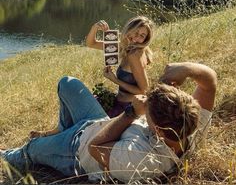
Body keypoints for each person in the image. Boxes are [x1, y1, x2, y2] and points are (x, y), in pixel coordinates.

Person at [0, 62, 216, 183]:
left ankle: (8, 157)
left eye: (147, 111)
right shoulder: (189, 122)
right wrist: (187, 69)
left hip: (76, 151)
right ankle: (60, 133)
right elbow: (209, 83)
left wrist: (131, 112)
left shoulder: (142, 159)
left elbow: (95, 147)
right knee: (67, 84)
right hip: (99, 122)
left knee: (31, 149)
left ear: (158, 130)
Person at [86, 16, 154, 118]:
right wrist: (96, 27)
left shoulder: (135, 55)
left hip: (126, 108)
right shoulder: (126, 48)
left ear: (145, 39)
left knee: (85, 112)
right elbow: (91, 43)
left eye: (142, 36)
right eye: (136, 32)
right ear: (129, 29)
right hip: (118, 100)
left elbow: (144, 91)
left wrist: (114, 79)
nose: (136, 38)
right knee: (86, 104)